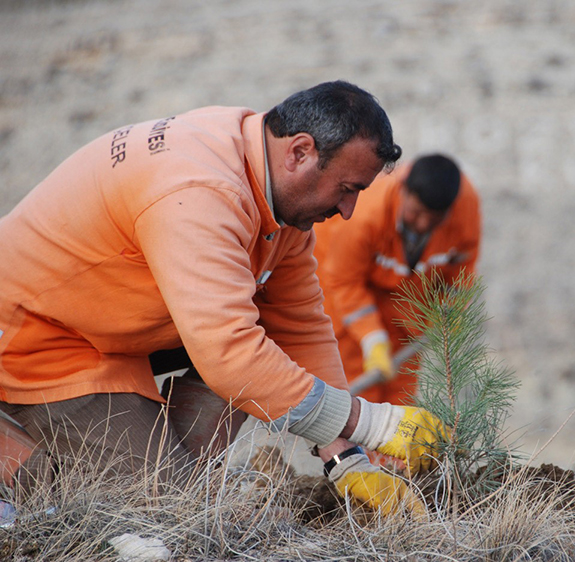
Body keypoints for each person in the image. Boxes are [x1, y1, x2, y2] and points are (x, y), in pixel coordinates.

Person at [0, 80, 446, 516]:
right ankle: (17, 459)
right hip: (35, 338)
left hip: (106, 327)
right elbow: (227, 353)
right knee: (154, 510)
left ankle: (161, 468)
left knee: (183, 487)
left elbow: (298, 325)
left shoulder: (274, 193)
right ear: (300, 152)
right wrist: (374, 424)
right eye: (347, 189)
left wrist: (346, 458)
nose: (348, 210)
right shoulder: (202, 191)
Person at [313, 154, 481, 405]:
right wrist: (372, 338)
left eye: (433, 220)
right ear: (403, 192)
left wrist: (451, 311)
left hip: (408, 301)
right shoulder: (363, 215)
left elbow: (462, 270)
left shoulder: (464, 208)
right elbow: (344, 281)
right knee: (360, 398)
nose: (423, 224)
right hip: (344, 287)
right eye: (416, 213)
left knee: (400, 397)